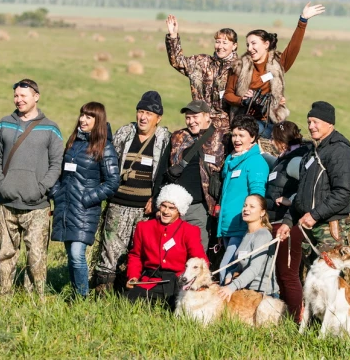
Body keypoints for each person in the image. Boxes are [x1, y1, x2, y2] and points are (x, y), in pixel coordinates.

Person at [0, 78, 63, 296]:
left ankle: (36, 298)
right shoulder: (3, 124)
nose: (18, 100)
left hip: (37, 205)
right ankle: (2, 296)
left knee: (36, 257)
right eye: (16, 96)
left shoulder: (51, 128)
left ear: (36, 97)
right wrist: (1, 185)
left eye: (23, 96)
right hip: (6, 203)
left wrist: (42, 188)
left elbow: (57, 163)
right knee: (5, 254)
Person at [92, 91, 171, 293]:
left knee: (140, 252)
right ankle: (102, 294)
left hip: (144, 210)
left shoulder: (164, 140)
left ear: (158, 118)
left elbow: (165, 174)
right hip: (117, 205)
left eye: (149, 114)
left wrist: (156, 199)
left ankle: (131, 293)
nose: (143, 117)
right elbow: (108, 163)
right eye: (140, 111)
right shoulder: (124, 133)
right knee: (109, 252)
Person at [49, 102, 120, 298]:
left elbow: (113, 181)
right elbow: (60, 172)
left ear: (98, 121)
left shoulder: (105, 147)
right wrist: (56, 192)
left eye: (89, 117)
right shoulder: (73, 142)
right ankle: (75, 292)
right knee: (70, 256)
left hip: (84, 210)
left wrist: (87, 199)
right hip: (65, 206)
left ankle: (82, 296)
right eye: (82, 115)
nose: (83, 119)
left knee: (76, 254)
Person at [224, 2, 325, 138]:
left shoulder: (277, 64)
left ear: (266, 44)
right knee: (263, 133)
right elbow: (228, 94)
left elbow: (293, 48)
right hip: (246, 122)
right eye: (248, 44)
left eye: (254, 43)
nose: (249, 48)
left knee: (292, 137)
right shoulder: (239, 67)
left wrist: (303, 20)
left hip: (273, 120)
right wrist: (242, 100)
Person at [159, 100, 228, 252]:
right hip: (174, 207)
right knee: (170, 251)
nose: (191, 121)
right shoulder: (178, 136)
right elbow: (163, 168)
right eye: (188, 117)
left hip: (200, 207)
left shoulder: (222, 139)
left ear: (207, 116)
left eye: (195, 117)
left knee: (196, 252)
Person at [125, 184, 208, 309]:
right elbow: (135, 255)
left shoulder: (190, 230)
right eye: (163, 206)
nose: (166, 211)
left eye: (171, 208)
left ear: (179, 210)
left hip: (177, 282)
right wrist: (133, 276)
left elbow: (200, 259)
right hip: (150, 280)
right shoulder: (144, 227)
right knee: (128, 301)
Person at [294, 101, 350, 262]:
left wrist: (315, 214)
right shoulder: (315, 150)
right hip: (310, 223)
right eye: (309, 122)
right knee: (313, 275)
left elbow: (344, 192)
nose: (311, 126)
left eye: (316, 122)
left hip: (328, 225)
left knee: (330, 274)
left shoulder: (340, 150)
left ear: (329, 123)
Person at [263, 121, 310, 322]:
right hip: (278, 221)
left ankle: (297, 319)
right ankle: (287, 317)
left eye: (274, 139)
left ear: (280, 141)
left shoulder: (294, 160)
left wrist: (290, 200)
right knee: (283, 274)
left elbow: (308, 186)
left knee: (289, 275)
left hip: (288, 224)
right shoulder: (285, 158)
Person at [217, 115, 268, 283]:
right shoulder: (231, 160)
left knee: (227, 268)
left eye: (241, 135)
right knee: (231, 270)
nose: (236, 139)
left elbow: (257, 195)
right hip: (227, 225)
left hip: (241, 226)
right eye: (234, 135)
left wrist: (251, 223)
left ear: (252, 137)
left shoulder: (255, 162)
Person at [165, 15, 238, 130]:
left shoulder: (239, 68)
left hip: (225, 127)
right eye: (218, 42)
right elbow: (177, 61)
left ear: (234, 46)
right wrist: (173, 36)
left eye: (225, 43)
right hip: (198, 122)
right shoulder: (201, 61)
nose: (220, 46)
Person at [218, 195, 279, 301]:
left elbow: (254, 269)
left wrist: (231, 287)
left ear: (262, 212)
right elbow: (243, 265)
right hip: (247, 292)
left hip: (263, 296)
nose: (246, 209)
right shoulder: (247, 234)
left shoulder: (262, 235)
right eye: (245, 206)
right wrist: (230, 273)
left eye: (252, 206)